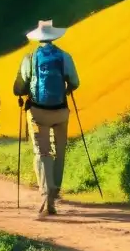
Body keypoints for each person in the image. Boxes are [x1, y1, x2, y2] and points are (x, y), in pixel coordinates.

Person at [13, 20, 80, 216]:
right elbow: (75, 82)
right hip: (60, 111)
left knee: (41, 153)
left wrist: (24, 91)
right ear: (55, 36)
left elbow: (18, 88)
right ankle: (54, 193)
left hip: (37, 112)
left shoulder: (30, 58)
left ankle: (45, 193)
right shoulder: (64, 56)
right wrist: (66, 90)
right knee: (60, 151)